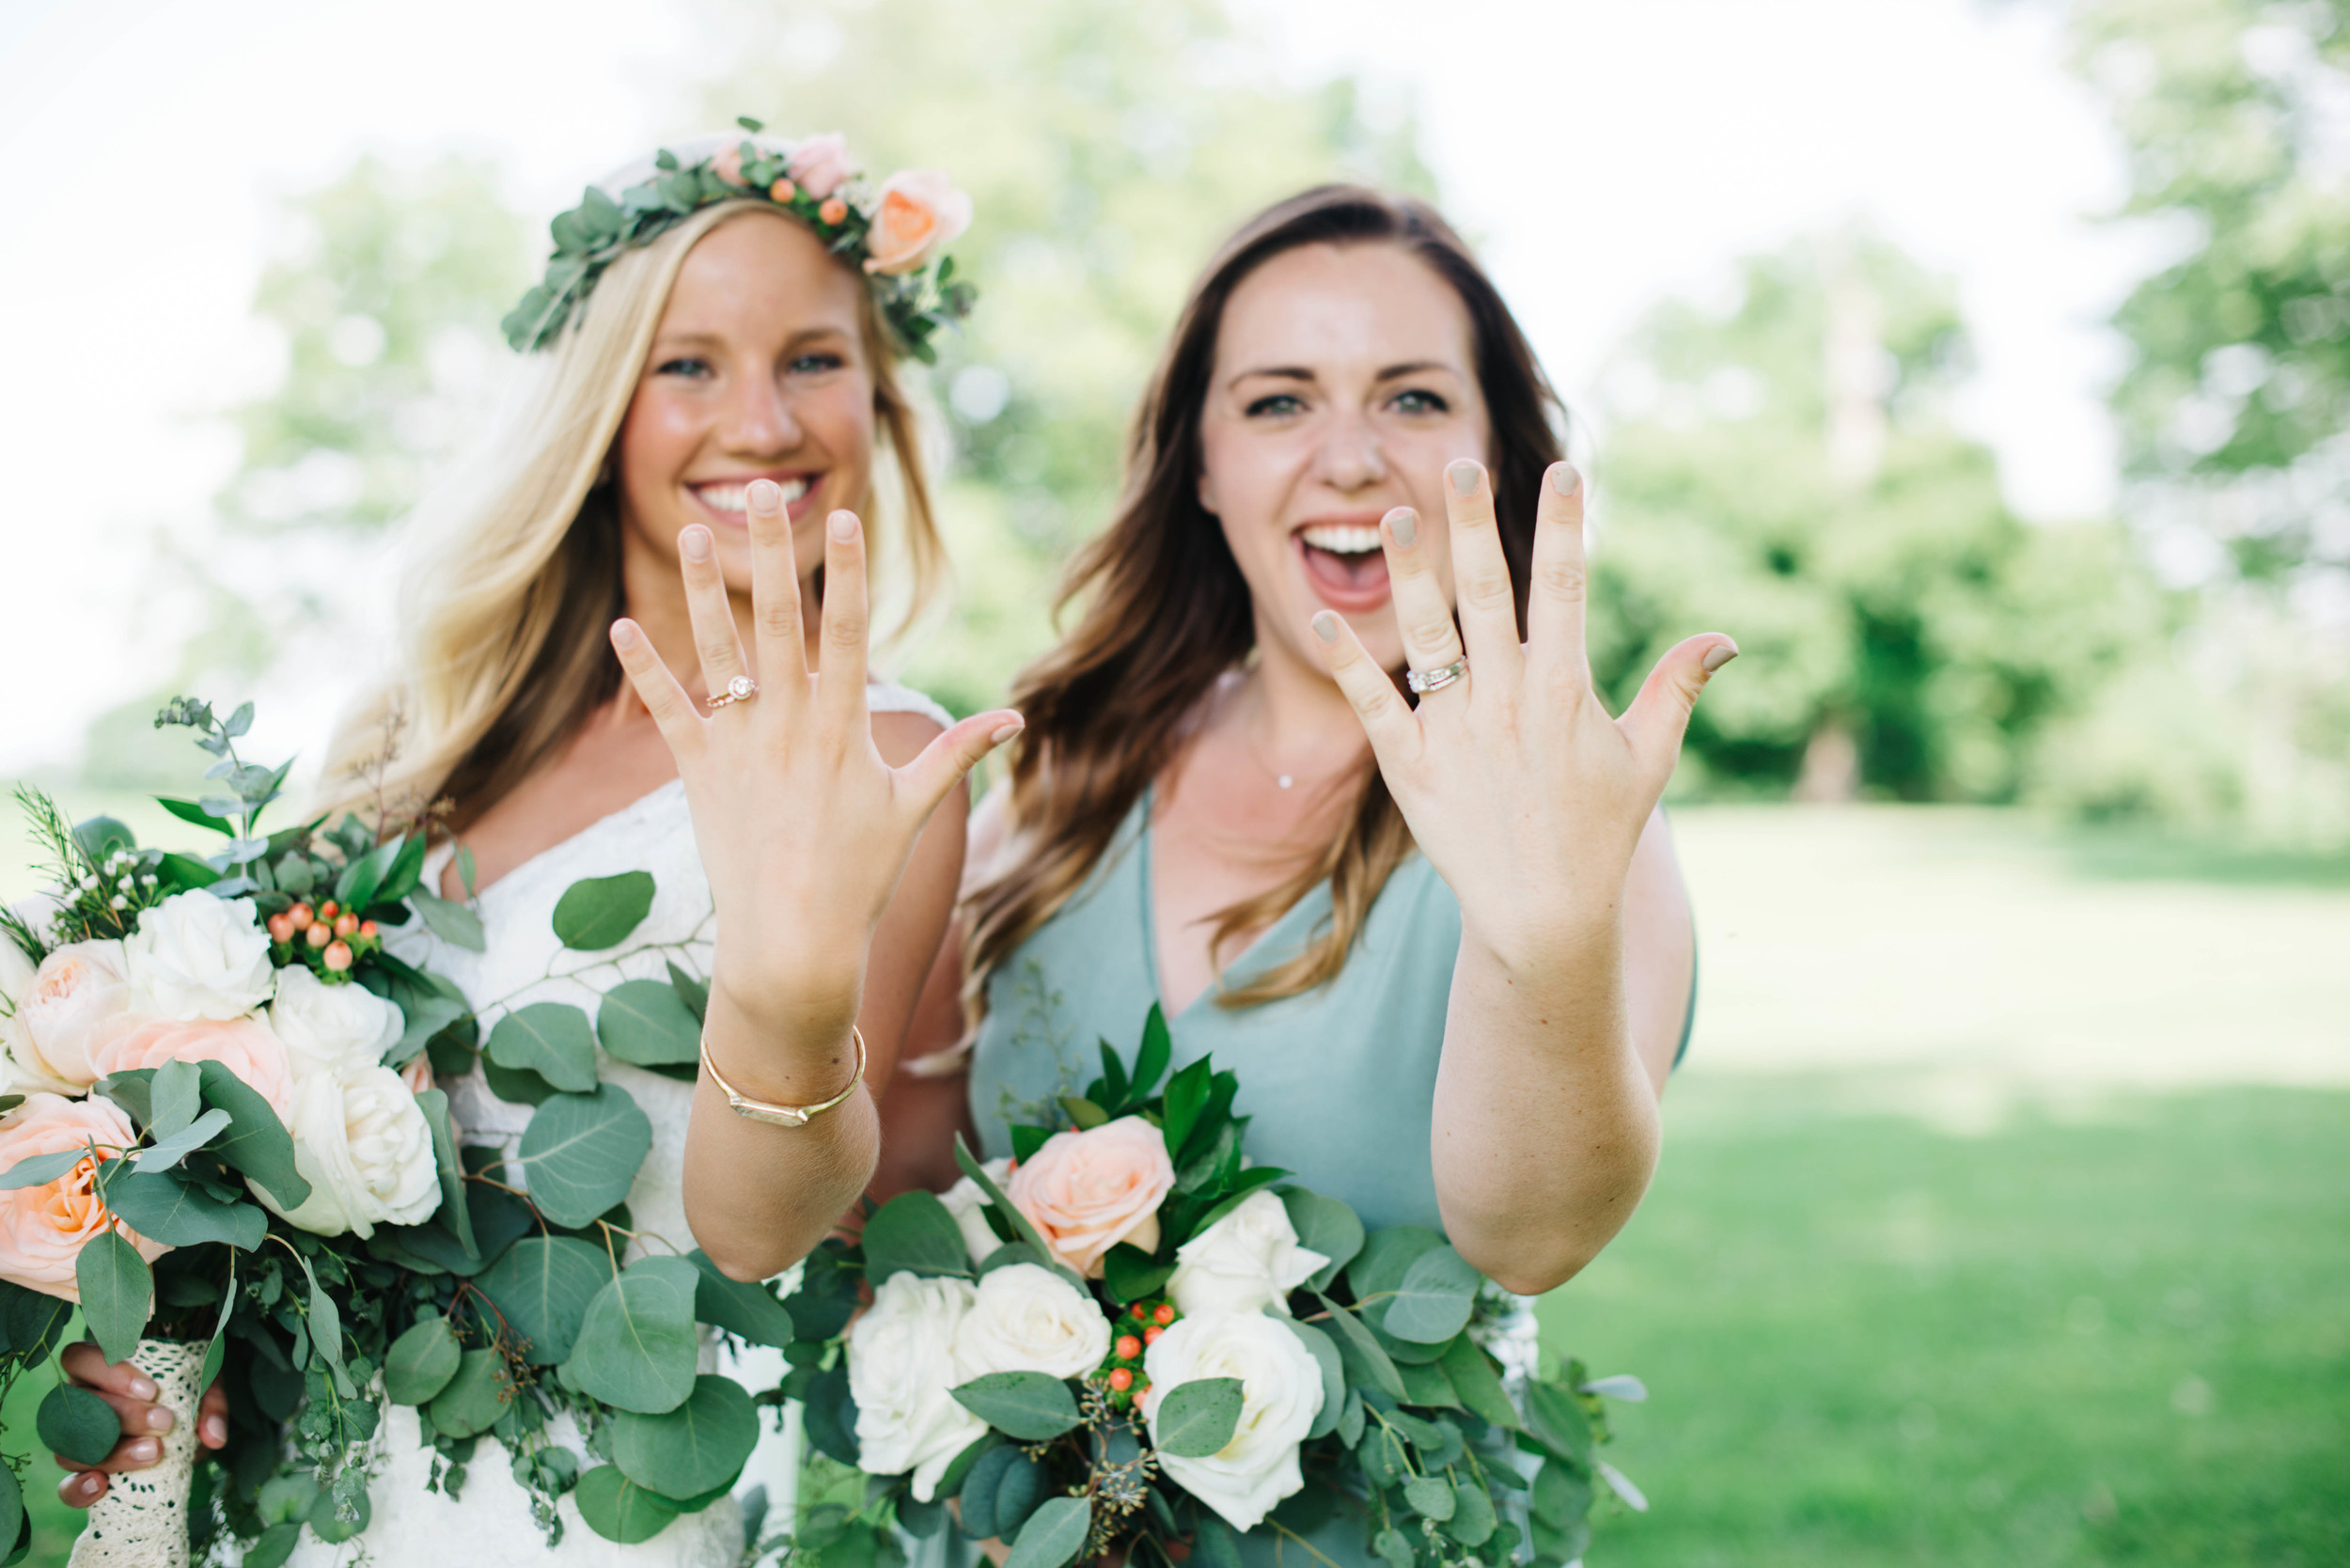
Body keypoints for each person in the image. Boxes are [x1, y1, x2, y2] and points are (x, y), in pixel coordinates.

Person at [56, 130, 1018, 1566]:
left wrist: (787, 977)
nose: (762, 421)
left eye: (815, 359)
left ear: (878, 399)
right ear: (599, 405)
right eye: (688, 364)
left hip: (599, 1508)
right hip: (312, 1488)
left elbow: (776, 1232)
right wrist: (150, 1321)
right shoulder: (418, 731)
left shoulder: (883, 762)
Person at [891, 185, 1731, 1565]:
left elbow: (1535, 1234)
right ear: (1202, 463)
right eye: (1280, 402)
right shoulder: (1068, 778)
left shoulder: (1577, 808)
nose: (1350, 458)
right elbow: (910, 1185)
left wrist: (1540, 923)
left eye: (1411, 400)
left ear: (1495, 454)